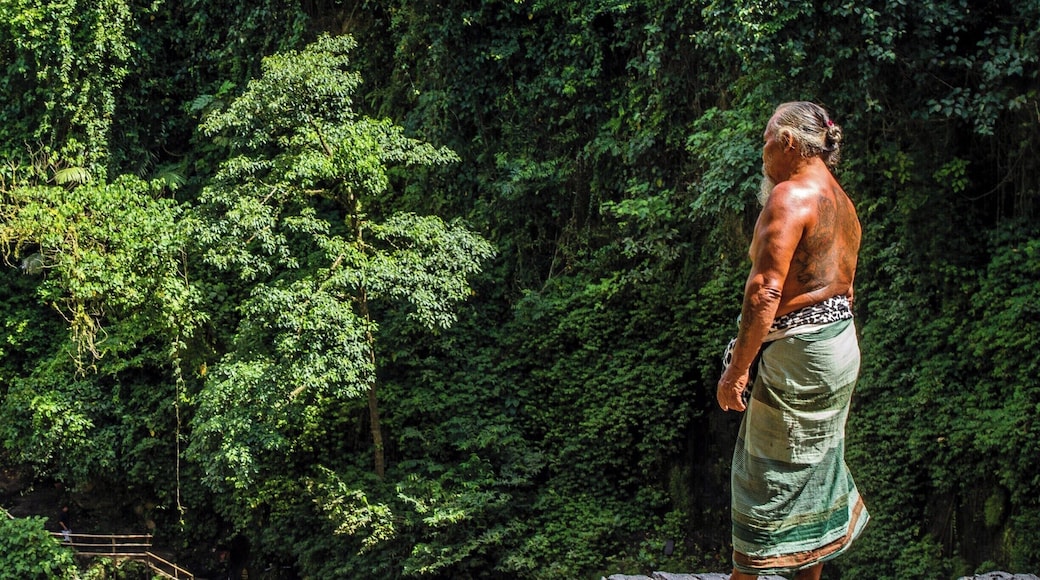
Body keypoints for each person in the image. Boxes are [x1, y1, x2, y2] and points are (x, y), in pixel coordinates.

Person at [717, 101, 869, 579]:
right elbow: (846, 287)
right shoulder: (842, 202)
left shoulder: (789, 196)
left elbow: (765, 291)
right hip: (839, 345)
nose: (762, 155)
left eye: (765, 143)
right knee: (814, 472)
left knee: (765, 477)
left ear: (786, 142)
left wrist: (737, 370)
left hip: (802, 354)